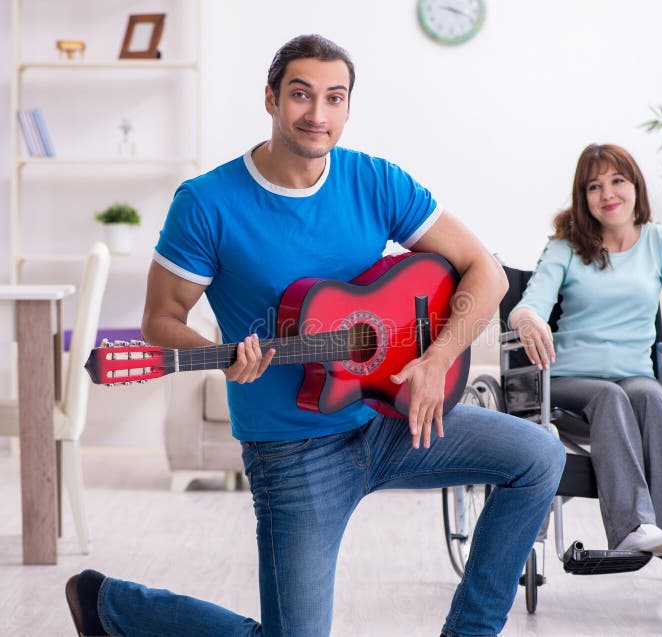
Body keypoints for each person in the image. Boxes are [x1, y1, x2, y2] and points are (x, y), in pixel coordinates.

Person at [64, 34, 565, 637]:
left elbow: (485, 271)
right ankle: (112, 606)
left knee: (540, 457)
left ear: (349, 107)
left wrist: (437, 359)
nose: (317, 114)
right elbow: (160, 322)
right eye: (301, 94)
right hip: (292, 452)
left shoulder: (375, 181)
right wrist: (220, 358)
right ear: (271, 99)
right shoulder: (206, 202)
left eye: (334, 98)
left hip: (393, 418)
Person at [509, 143, 662, 575]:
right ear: (583, 197)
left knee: (653, 396)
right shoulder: (567, 246)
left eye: (617, 181)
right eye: (594, 186)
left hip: (633, 377)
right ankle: (633, 527)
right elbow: (530, 304)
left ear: (635, 186)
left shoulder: (660, 240)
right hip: (570, 380)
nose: (607, 193)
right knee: (610, 396)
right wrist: (528, 320)